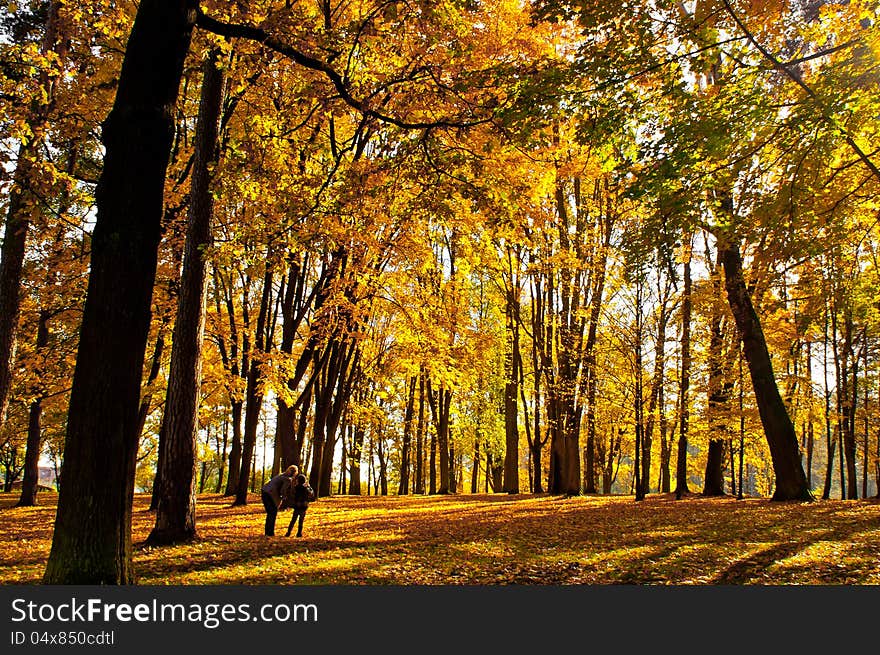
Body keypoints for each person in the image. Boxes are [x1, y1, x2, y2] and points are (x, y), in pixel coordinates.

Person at [261, 465, 297, 536]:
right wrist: (283, 497)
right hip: (270, 494)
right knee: (272, 513)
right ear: (294, 473)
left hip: (264, 491)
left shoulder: (281, 475)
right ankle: (270, 533)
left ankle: (268, 532)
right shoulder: (288, 479)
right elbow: (283, 490)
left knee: (270, 513)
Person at [285, 473, 315, 538]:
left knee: (293, 520)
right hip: (304, 506)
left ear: (298, 480)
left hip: (297, 505)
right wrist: (309, 486)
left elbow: (292, 495)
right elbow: (312, 495)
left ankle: (288, 532)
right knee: (301, 521)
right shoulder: (307, 488)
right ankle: (299, 533)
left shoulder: (296, 488)